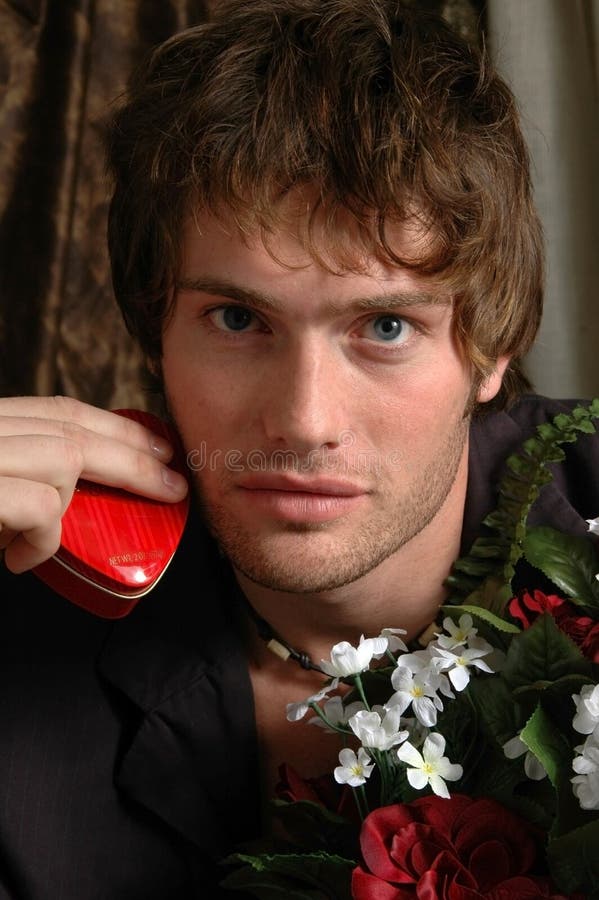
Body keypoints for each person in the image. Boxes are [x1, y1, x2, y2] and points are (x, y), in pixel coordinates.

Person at [0, 1, 597, 897]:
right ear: (153, 327)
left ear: (493, 346)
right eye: (237, 320)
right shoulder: (25, 611)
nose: (303, 420)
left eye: (384, 326)